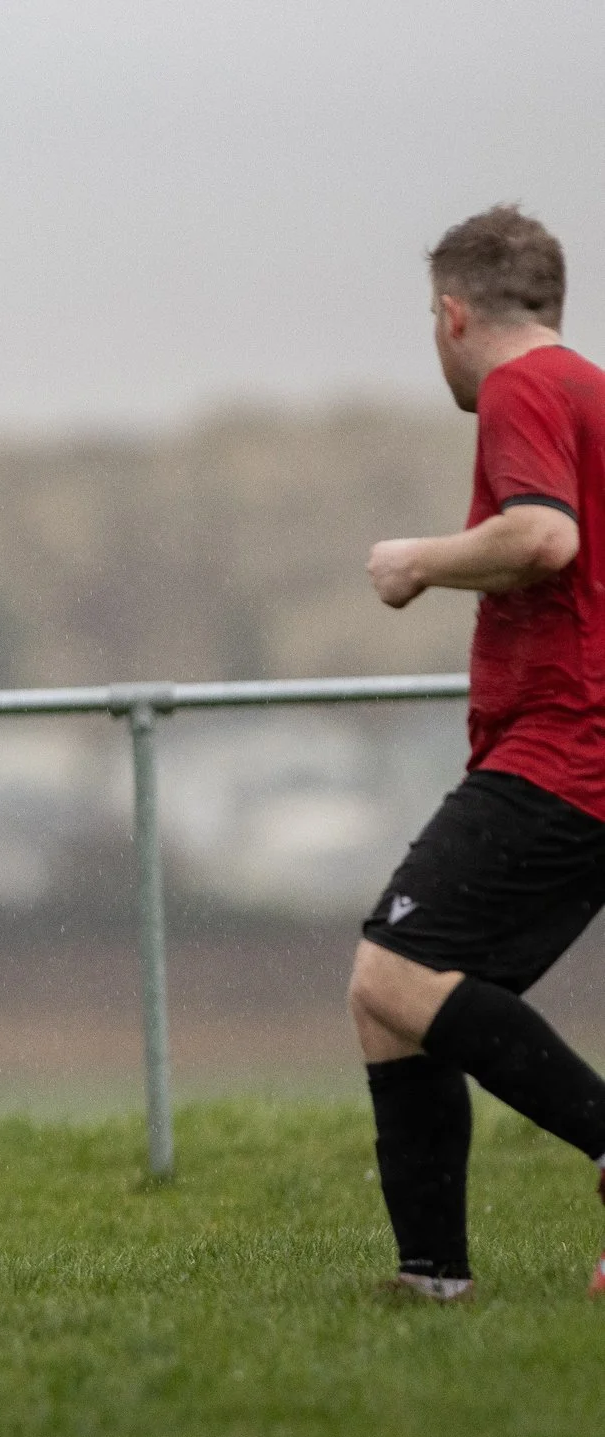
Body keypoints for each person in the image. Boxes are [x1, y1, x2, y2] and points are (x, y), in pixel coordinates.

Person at [350, 203, 605, 1302]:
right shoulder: (590, 393)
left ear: (453, 314)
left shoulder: (520, 390)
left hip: (565, 745)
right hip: (574, 748)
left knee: (393, 969)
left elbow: (546, 536)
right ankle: (429, 1279)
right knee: (393, 1002)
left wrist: (420, 560)